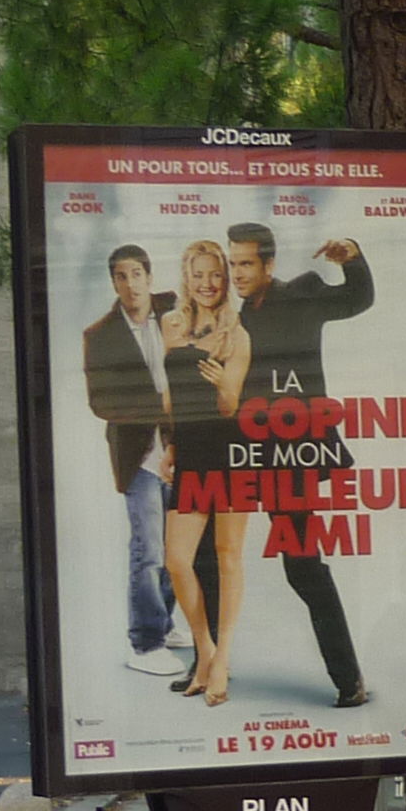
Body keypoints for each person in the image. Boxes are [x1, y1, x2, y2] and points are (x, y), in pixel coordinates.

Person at [226, 225, 374, 709]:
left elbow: (357, 299)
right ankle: (207, 662)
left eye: (245, 264)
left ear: (268, 265)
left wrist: (351, 257)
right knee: (201, 551)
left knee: (303, 567)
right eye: (233, 264)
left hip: (292, 454)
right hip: (239, 449)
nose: (237, 274)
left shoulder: (303, 292)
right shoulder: (235, 314)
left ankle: (348, 678)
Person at [80, 245, 191, 678]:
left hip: (184, 453)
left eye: (136, 274)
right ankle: (145, 645)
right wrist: (160, 410)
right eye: (120, 277)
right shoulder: (100, 335)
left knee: (180, 550)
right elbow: (101, 401)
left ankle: (162, 621)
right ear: (114, 283)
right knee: (149, 551)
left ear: (148, 276)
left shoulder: (175, 312)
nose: (130, 284)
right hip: (141, 458)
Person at [158, 241, 253, 707]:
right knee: (178, 559)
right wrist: (171, 443)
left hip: (231, 451)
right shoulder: (171, 324)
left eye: (216, 274)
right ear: (187, 276)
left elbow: (231, 406)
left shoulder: (239, 334)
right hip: (191, 451)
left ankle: (223, 659)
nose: (208, 283)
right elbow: (172, 392)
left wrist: (222, 384)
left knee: (227, 553)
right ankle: (206, 649)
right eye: (199, 274)